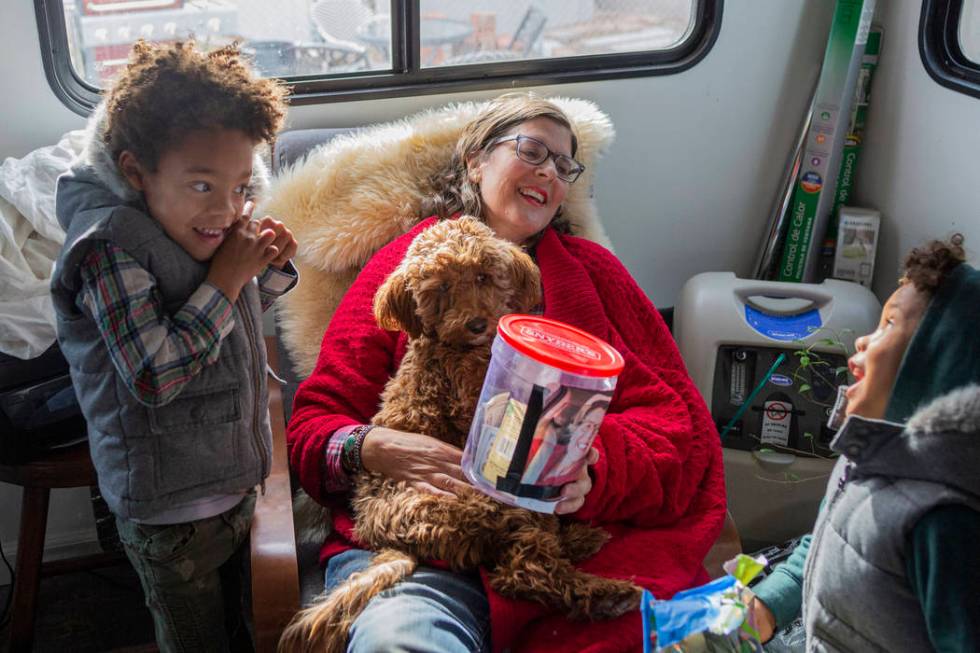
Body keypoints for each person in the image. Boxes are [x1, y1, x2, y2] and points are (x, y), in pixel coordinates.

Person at [287, 93, 726, 652]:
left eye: (565, 165)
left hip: (575, 548)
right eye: (532, 150)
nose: (550, 171)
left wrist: (594, 470)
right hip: (428, 553)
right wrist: (377, 446)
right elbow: (313, 424)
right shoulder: (406, 267)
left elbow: (676, 426)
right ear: (476, 160)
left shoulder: (597, 275)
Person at [50, 41, 296, 652]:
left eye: (243, 186)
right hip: (169, 510)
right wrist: (228, 277)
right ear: (136, 171)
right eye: (203, 185)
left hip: (231, 480)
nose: (227, 208)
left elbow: (226, 329)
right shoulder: (108, 250)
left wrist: (265, 269)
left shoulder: (205, 224)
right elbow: (157, 374)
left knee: (246, 629)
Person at [746, 235, 980, 652]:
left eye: (889, 324)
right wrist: (764, 606)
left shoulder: (944, 522)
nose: (861, 341)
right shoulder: (865, 459)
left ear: (933, 363)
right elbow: (826, 543)